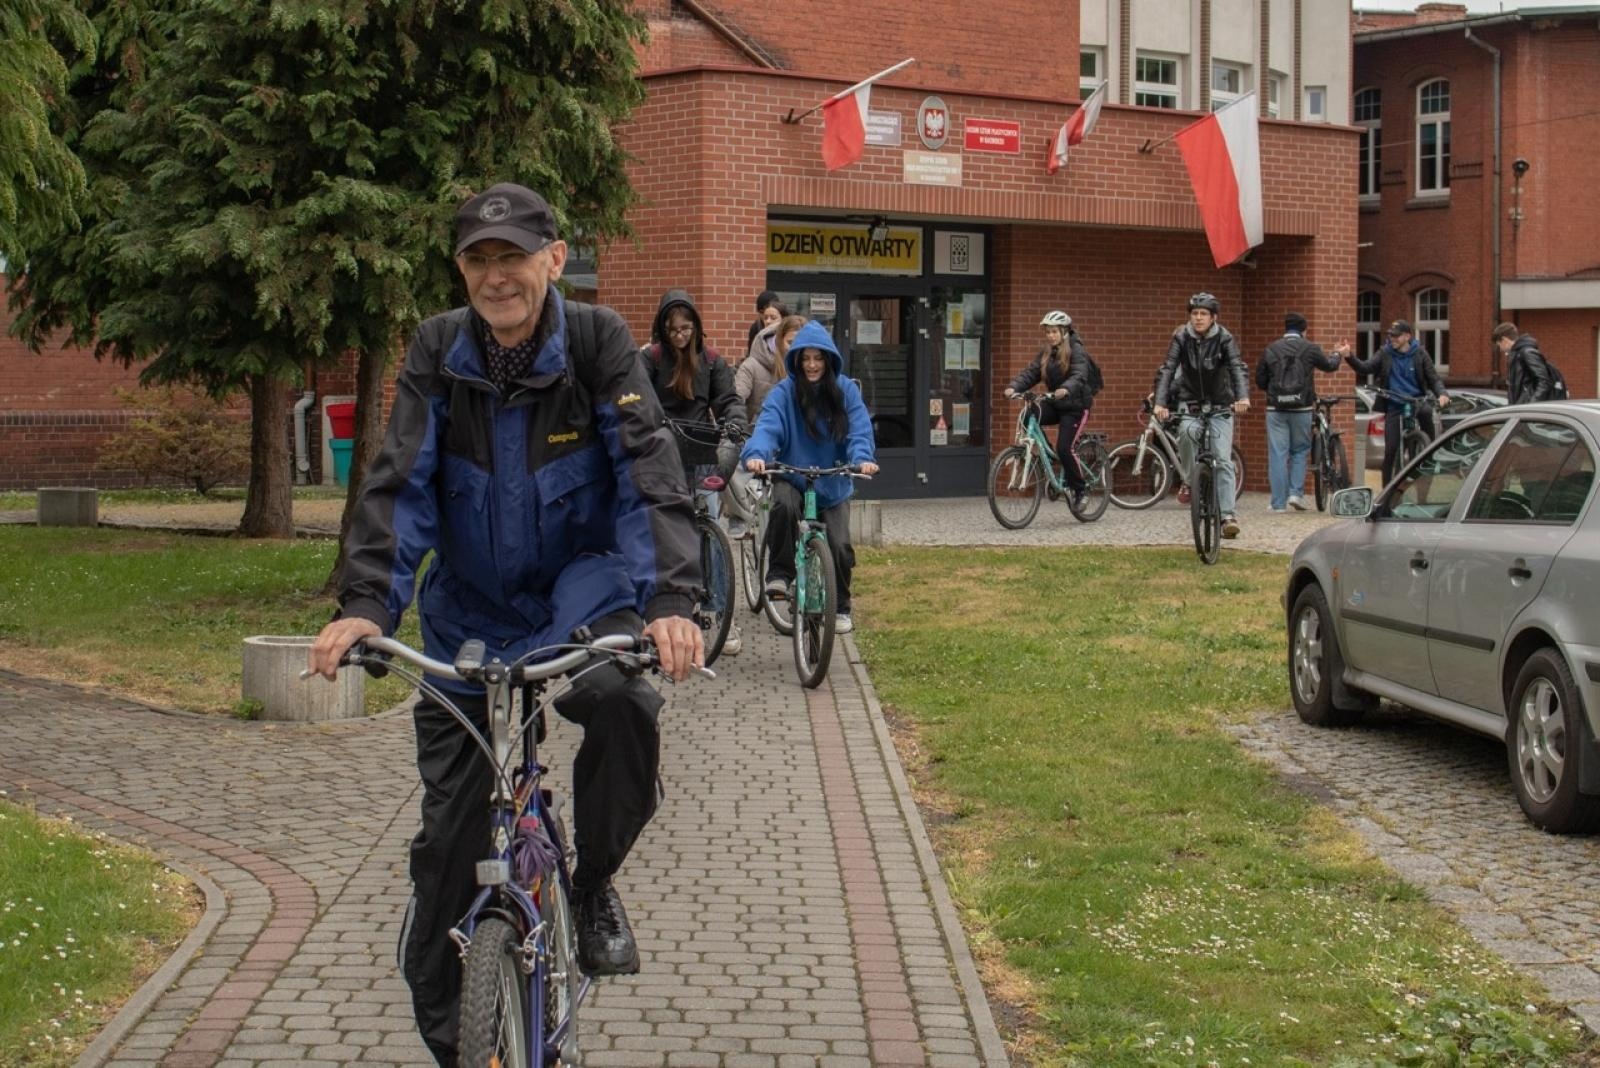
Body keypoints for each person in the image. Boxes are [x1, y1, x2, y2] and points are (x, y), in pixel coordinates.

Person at [307, 183, 702, 1067]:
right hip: (468, 614)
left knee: (622, 703)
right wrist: (368, 604)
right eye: (478, 260)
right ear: (461, 270)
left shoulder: (597, 343)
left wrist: (672, 600)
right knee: (446, 846)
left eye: (513, 258)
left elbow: (649, 475)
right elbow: (398, 483)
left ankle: (593, 881)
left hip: (578, 590)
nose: (497, 277)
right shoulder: (439, 349)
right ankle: (464, 1046)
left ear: (553, 259)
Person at [741, 320, 878, 634]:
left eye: (818, 358)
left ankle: (842, 606)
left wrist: (862, 460)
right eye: (806, 359)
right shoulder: (783, 393)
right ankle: (779, 573)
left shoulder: (845, 391)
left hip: (833, 481)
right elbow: (768, 427)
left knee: (841, 546)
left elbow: (859, 430)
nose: (812, 365)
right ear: (797, 361)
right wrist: (758, 455)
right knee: (784, 507)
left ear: (828, 360)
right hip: (793, 475)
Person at [641, 288, 748, 656]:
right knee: (664, 533)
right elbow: (639, 398)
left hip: (701, 450)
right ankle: (657, 611)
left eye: (686, 328)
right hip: (664, 451)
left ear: (696, 328)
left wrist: (733, 426)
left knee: (709, 528)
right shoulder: (651, 360)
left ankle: (721, 614)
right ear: (663, 329)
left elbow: (729, 401)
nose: (680, 336)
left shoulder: (713, 362)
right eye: (673, 330)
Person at [1153, 292, 1251, 538]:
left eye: (1203, 314)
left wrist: (1242, 398)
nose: (1198, 318)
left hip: (1220, 404)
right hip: (1191, 401)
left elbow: (1236, 368)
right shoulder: (1181, 337)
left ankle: (1228, 515)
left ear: (1213, 317)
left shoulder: (1225, 338)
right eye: (1194, 314)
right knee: (1186, 433)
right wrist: (1161, 402)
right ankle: (1189, 479)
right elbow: (1168, 368)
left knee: (1223, 458)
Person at [1255, 312, 1349, 512]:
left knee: (1278, 454)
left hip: (1276, 409)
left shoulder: (1271, 349)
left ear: (1285, 328)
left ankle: (1278, 504)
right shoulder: (1310, 348)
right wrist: (1337, 354)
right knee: (1300, 451)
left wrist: (1274, 391)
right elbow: (1330, 366)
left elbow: (1260, 380)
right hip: (1302, 408)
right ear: (1304, 330)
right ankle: (1296, 494)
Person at [1003, 310, 1096, 507]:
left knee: (1066, 448)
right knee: (1028, 414)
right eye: (1048, 332)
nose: (1050, 335)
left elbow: (1079, 375)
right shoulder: (1047, 352)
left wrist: (1065, 388)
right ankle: (1048, 453)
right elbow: (1031, 373)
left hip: (1076, 407)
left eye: (1054, 331)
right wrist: (1014, 387)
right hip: (1056, 403)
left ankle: (1080, 490)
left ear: (1064, 332)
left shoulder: (1077, 350)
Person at [728, 313, 803, 539]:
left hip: (792, 433)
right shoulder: (751, 366)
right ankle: (739, 515)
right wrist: (737, 423)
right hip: (754, 429)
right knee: (729, 461)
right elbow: (736, 398)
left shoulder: (804, 366)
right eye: (789, 342)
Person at [1346, 319, 1449, 483]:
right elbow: (1366, 368)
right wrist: (1349, 356)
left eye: (1396, 336)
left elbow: (1433, 378)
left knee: (1426, 411)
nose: (1392, 339)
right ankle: (1386, 490)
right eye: (1391, 336)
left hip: (1416, 401)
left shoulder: (1420, 353)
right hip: (1394, 404)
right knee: (1391, 449)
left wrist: (1442, 394)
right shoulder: (1385, 353)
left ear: (1407, 336)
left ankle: (1429, 449)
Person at [1496, 322, 1559, 405]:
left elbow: (1544, 382)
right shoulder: (1517, 355)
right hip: (1522, 408)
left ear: (1504, 340)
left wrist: (1530, 405)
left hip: (1526, 410)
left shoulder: (1526, 353)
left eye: (1499, 344)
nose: (1500, 349)